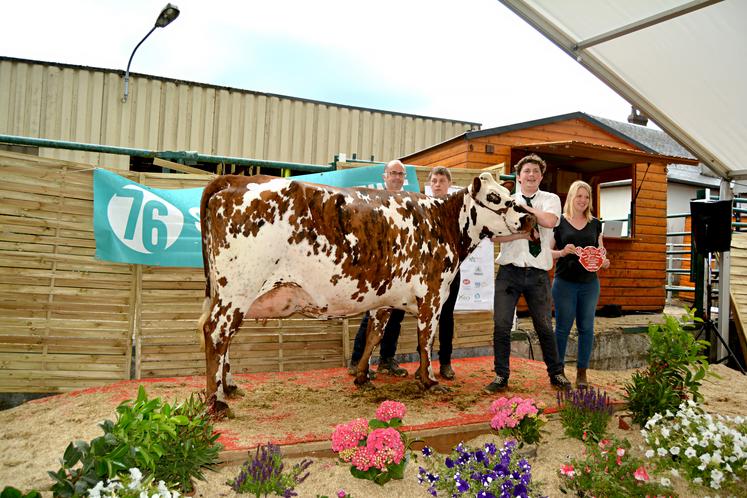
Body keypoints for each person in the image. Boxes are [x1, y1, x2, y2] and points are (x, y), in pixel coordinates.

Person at [484, 154, 572, 394]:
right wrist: (522, 235)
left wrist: (522, 207)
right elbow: (495, 236)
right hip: (509, 272)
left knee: (544, 326)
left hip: (538, 274)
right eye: (526, 171)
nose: (531, 175)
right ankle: (501, 376)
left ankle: (556, 373)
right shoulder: (506, 200)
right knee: (501, 325)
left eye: (535, 171)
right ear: (518, 176)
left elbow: (550, 221)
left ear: (541, 176)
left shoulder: (550, 199)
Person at [347, 159, 408, 377]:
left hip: (402, 269)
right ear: (384, 176)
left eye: (401, 174)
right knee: (372, 314)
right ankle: (357, 361)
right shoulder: (373, 201)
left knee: (397, 315)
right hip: (379, 268)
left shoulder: (408, 203)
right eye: (393, 173)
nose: (397, 177)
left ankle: (386, 360)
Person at [551, 180, 610, 388]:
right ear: (571, 197)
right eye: (579, 196)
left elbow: (601, 252)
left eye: (586, 197)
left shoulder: (596, 224)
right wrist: (561, 252)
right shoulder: (558, 222)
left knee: (587, 328)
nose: (583, 200)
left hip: (589, 284)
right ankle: (557, 372)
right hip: (564, 283)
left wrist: (604, 262)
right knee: (562, 329)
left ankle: (582, 373)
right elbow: (547, 252)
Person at [427, 166, 459, 380]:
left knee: (446, 316)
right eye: (434, 180)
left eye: (442, 180)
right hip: (426, 272)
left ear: (449, 184)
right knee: (426, 317)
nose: (437, 184)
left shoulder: (457, 209)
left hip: (452, 270)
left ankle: (445, 362)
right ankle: (425, 362)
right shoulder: (422, 207)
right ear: (430, 184)